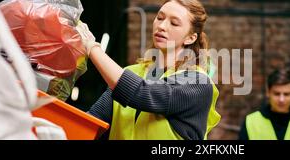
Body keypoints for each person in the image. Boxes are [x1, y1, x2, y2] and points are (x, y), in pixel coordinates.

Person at [76, 0, 220, 140]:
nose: (162, 26)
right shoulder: (132, 72)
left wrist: (91, 47)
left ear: (190, 38)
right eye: (160, 18)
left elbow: (143, 93)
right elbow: (89, 123)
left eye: (174, 23)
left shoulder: (198, 83)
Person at [239, 69, 290, 140]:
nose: (281, 99)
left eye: (286, 94)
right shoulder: (251, 122)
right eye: (277, 94)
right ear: (268, 92)